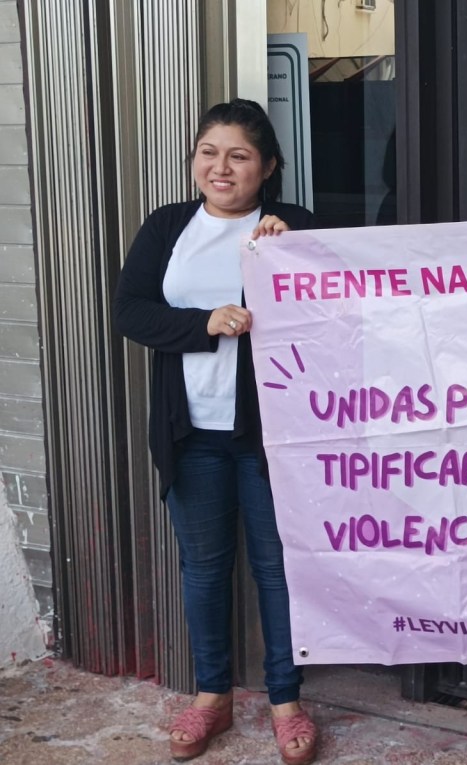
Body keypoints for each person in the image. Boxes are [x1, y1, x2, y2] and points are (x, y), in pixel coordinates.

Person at [114, 99, 317, 765]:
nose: (221, 167)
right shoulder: (168, 226)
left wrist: (296, 254)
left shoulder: (294, 228)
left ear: (269, 167)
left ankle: (285, 700)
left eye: (239, 155)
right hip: (189, 432)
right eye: (209, 152)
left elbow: (339, 316)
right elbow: (130, 311)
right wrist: (202, 323)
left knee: (278, 568)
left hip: (270, 437)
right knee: (203, 569)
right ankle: (212, 696)